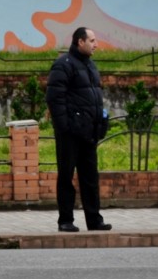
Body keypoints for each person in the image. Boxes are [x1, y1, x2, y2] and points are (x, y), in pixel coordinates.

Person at [45, 26, 111, 232]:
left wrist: (101, 124)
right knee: (66, 176)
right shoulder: (63, 65)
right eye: (92, 41)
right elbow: (55, 99)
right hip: (70, 134)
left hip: (89, 132)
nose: (96, 45)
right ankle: (65, 220)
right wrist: (65, 127)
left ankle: (94, 220)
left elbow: (95, 98)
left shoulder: (91, 66)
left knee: (90, 177)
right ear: (79, 42)